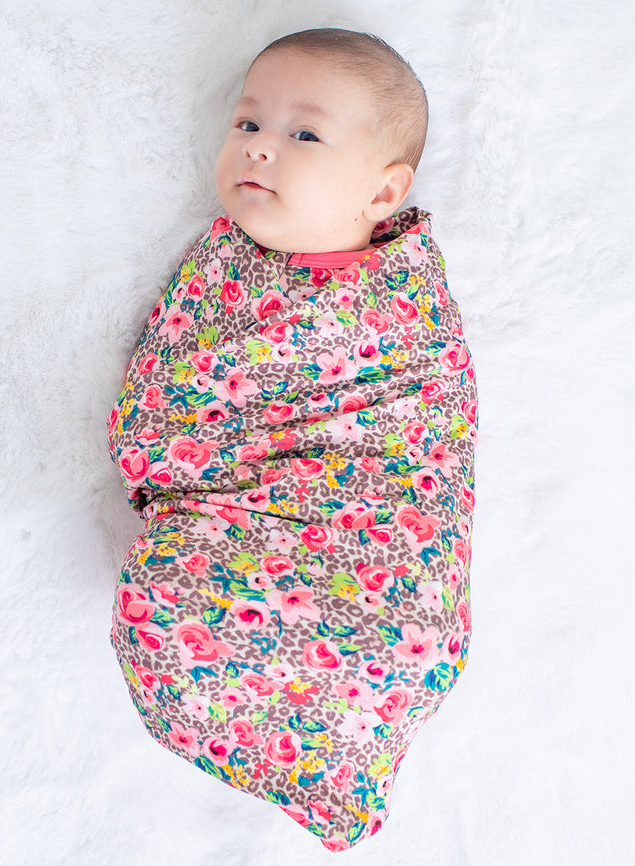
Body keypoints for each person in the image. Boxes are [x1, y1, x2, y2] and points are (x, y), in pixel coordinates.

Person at [107, 28, 477, 852]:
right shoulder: (234, 255)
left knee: (168, 609)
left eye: (303, 134)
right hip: (252, 511)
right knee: (173, 599)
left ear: (381, 196)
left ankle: (336, 769)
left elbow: (417, 425)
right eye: (248, 125)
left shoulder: (390, 304)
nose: (261, 149)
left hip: (370, 543)